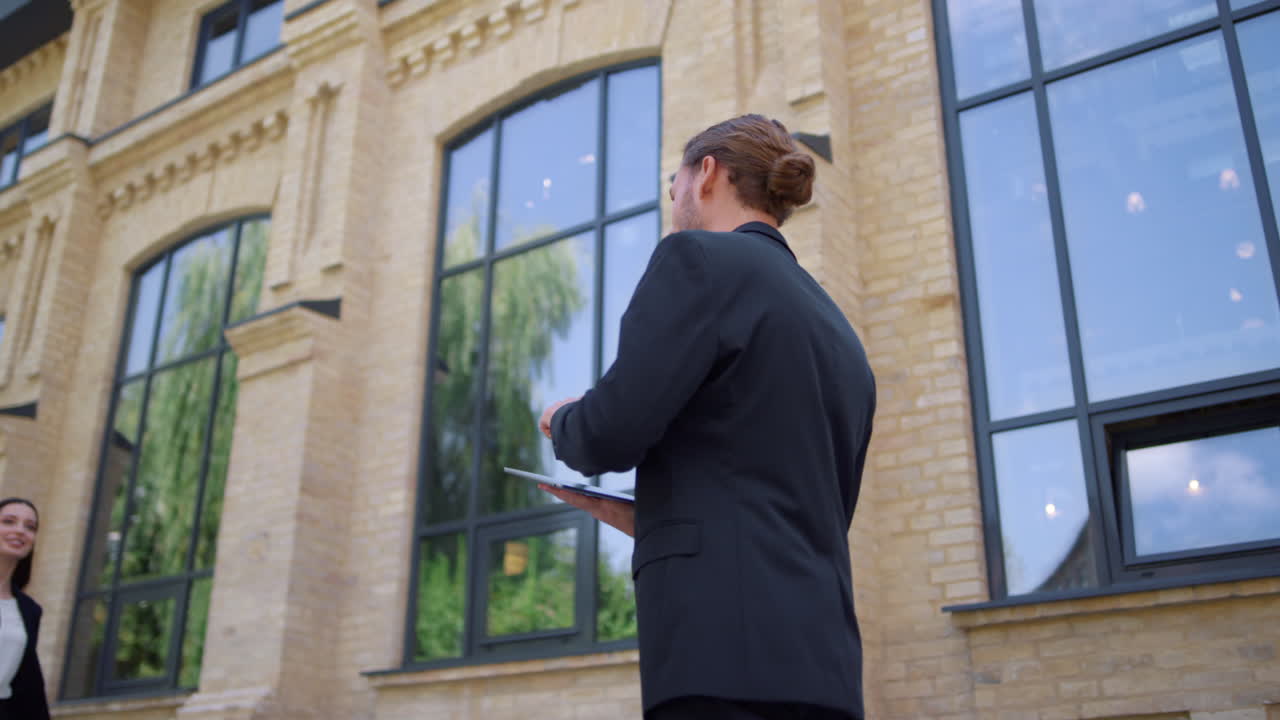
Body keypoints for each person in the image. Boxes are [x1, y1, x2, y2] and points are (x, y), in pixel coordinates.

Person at [538, 115, 875, 720]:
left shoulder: (696, 259)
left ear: (707, 174)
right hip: (826, 671)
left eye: (675, 179)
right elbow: (794, 507)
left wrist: (564, 419)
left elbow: (608, 433)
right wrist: (652, 519)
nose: (673, 194)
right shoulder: (839, 331)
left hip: (720, 657)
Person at [0, 497, 51, 720]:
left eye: (30, 527)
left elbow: (29, 685)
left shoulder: (29, 610)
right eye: (8, 521)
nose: (20, 531)